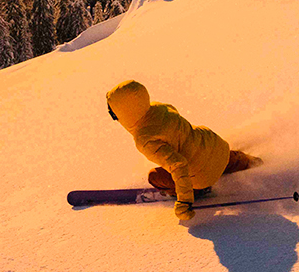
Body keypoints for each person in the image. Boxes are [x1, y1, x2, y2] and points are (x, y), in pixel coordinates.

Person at [105, 80, 259, 221]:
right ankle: (250, 161)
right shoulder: (160, 107)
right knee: (207, 151)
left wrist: (184, 201)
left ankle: (197, 191)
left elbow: (179, 165)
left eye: (113, 114)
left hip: (201, 175)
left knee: (154, 176)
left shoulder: (144, 140)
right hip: (215, 145)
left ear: (123, 114)